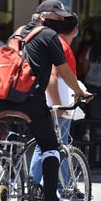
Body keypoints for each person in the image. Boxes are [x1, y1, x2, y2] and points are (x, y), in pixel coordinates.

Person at [0, 0, 92, 201]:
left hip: (2, 99)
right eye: (58, 17)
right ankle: (50, 200)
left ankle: (5, 168)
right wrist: (79, 91)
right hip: (29, 100)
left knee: (17, 133)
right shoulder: (49, 36)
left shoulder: (17, 33)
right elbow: (63, 71)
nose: (61, 22)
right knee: (50, 145)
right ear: (44, 17)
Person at [29, 13, 82, 189]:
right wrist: (58, 104)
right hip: (59, 104)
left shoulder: (58, 43)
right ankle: (56, 186)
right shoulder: (60, 45)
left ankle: (42, 185)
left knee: (50, 145)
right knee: (53, 145)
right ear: (74, 30)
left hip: (56, 103)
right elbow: (53, 76)